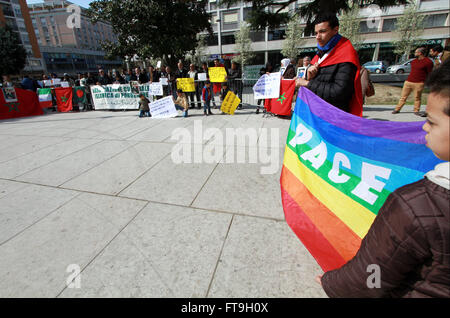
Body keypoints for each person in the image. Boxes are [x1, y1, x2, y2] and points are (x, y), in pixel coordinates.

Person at [316, 59, 450, 298]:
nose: (424, 128)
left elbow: (370, 276)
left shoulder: (415, 204)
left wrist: (332, 282)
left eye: (431, 121)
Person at [295, 13, 363, 116]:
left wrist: (307, 83)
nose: (318, 37)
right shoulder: (320, 54)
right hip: (318, 113)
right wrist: (309, 77)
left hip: (335, 118)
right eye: (316, 33)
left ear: (335, 30)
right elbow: (316, 85)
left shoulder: (346, 54)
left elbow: (339, 92)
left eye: (322, 32)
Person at [392, 47, 433, 116]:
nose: (415, 53)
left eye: (416, 52)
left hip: (419, 83)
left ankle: (416, 110)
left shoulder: (428, 62)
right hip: (408, 81)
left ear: (420, 53)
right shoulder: (414, 61)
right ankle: (397, 109)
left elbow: (430, 72)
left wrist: (427, 81)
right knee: (403, 96)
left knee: (417, 97)